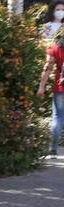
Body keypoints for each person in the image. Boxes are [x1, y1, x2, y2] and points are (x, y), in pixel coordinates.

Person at [37, 29, 64, 157]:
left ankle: (53, 150)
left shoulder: (54, 48)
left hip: (60, 88)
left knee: (57, 118)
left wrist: (42, 86)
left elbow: (47, 68)